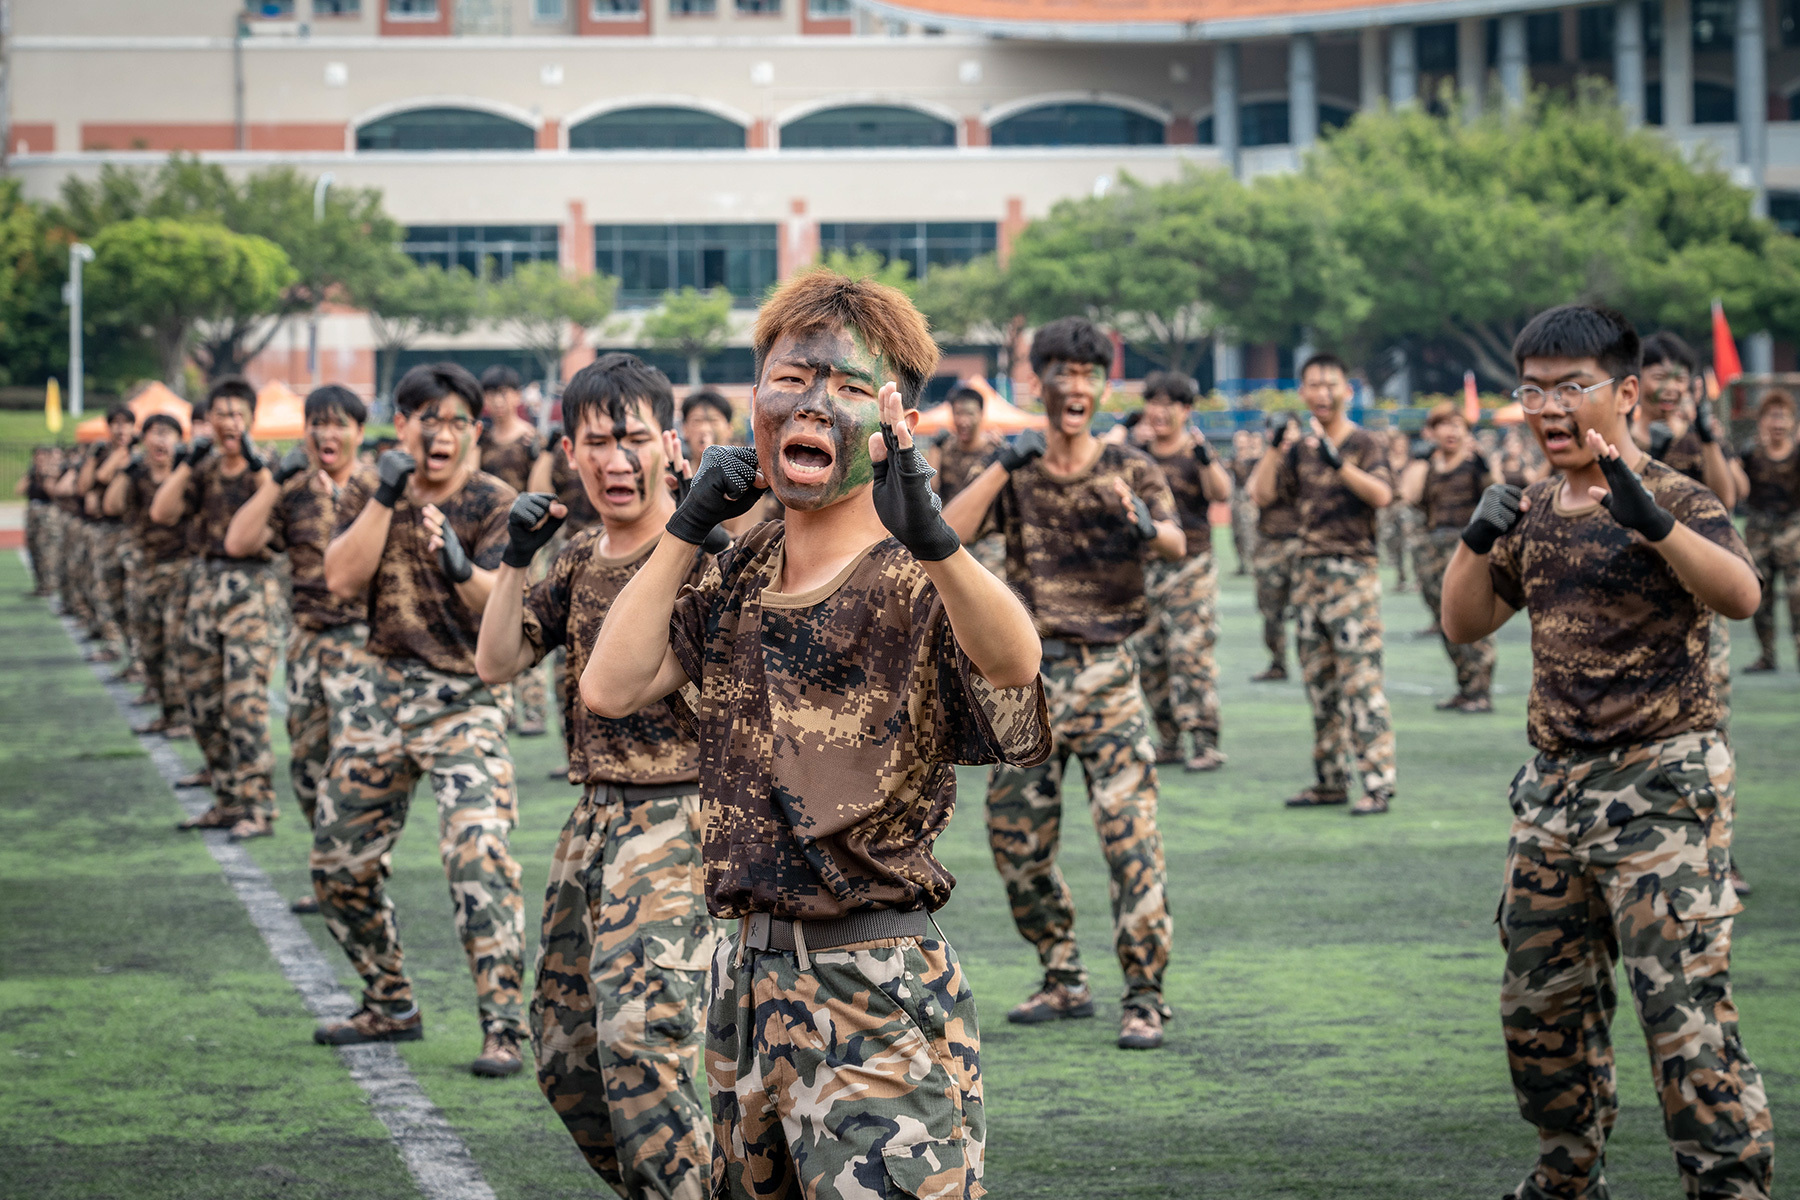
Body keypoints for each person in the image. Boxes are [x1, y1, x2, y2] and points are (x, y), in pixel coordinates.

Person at [585, 270, 1049, 1198]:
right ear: (756, 397)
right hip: (744, 986)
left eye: (847, 388)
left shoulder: (916, 574)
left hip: (873, 984)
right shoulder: (742, 563)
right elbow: (612, 684)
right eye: (792, 378)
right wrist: (687, 525)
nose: (813, 403)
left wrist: (939, 544)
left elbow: (1014, 666)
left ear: (894, 419)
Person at [1441, 304, 1771, 1200]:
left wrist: (1656, 523)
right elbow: (1465, 624)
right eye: (1533, 390)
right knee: (1540, 1011)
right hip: (1554, 797)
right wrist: (1476, 540)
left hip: (1663, 788)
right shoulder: (1534, 507)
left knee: (1683, 1016)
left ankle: (1728, 1186)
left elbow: (1741, 594)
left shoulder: (1679, 494)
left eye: (1571, 387)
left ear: (1623, 393)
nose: (1550, 408)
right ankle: (1566, 1176)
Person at [477, 354, 720, 1199]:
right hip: (592, 825)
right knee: (565, 1055)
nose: (617, 461)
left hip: (680, 818)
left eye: (633, 438)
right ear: (570, 454)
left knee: (641, 1045)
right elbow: (498, 660)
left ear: (669, 442)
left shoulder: (706, 554)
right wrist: (514, 558)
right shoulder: (578, 557)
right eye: (597, 443)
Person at [943, 316, 1183, 1051]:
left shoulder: (1131, 465)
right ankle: (1062, 973)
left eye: (1087, 374)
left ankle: (1144, 995)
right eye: (1061, 373)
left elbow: (1175, 541)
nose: (1074, 387)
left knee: (1129, 840)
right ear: (1037, 383)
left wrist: (1145, 525)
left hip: (1110, 675)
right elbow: (943, 536)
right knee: (1018, 847)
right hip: (1030, 682)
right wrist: (1000, 465)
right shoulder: (1013, 470)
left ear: (1102, 386)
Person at [313, 362, 526, 1077]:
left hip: (464, 698)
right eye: (424, 419)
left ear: (475, 430)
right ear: (400, 426)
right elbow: (340, 579)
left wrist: (462, 566)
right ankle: (390, 1000)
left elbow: (503, 603)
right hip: (380, 693)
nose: (440, 433)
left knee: (477, 855)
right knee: (336, 863)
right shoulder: (371, 491)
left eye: (456, 421)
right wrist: (384, 495)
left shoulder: (495, 500)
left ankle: (502, 1026)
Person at [224, 385, 374, 907]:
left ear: (359, 430)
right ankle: (331, 872)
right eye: (317, 423)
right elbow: (239, 542)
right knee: (308, 766)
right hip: (308, 642)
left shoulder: (381, 490)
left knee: (358, 768)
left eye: (338, 424)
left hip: (366, 647)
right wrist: (275, 482)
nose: (325, 434)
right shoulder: (293, 491)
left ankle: (358, 876)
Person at [1248, 354, 1396, 816]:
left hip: (1352, 575)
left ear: (1346, 391)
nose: (1322, 393)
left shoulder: (1365, 443)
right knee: (1320, 686)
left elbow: (1383, 495)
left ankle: (1378, 782)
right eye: (1313, 385)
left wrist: (1341, 465)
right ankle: (1331, 780)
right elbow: (1262, 495)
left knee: (1362, 685)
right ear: (1304, 392)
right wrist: (1274, 447)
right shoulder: (1299, 450)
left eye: (1330, 384)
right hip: (1308, 574)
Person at [151, 378, 282, 839]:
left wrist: (251, 458)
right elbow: (162, 513)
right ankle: (227, 800)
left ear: (251, 418)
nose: (229, 423)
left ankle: (259, 805)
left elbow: (277, 506)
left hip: (251, 589)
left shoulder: (267, 468)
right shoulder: (203, 470)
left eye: (237, 413)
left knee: (243, 703)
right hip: (204, 586)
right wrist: (187, 465)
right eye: (220, 414)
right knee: (202, 701)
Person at [1130, 370, 1231, 771]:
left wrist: (1207, 459)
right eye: (1153, 404)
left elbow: (1221, 492)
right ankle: (1169, 739)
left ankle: (1205, 742)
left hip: (1191, 568)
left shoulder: (1196, 453)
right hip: (1145, 568)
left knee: (1190, 655)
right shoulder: (1138, 456)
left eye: (1168, 405)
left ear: (1185, 411)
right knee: (1150, 657)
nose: (1158, 413)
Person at [1399, 403, 1497, 713]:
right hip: (1432, 551)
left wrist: (1483, 465)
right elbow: (1409, 496)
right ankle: (1465, 687)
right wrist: (1421, 459)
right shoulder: (1428, 465)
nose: (1452, 431)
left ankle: (1481, 691)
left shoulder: (1475, 465)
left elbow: (1496, 493)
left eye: (1458, 425)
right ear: (1432, 431)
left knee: (1474, 620)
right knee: (1446, 623)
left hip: (1468, 547)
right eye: (1445, 425)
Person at [105, 415, 191, 738]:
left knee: (175, 646)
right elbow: (111, 505)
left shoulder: (188, 473)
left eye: (167, 434)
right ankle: (167, 713)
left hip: (182, 569)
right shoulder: (137, 476)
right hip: (146, 569)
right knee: (150, 647)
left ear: (178, 440)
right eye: (154, 434)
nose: (160, 441)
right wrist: (125, 470)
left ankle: (182, 716)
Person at [476, 365, 549, 738]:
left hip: (524, 541)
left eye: (505, 392)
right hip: (485, 542)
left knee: (528, 616)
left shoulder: (530, 441)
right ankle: (498, 703)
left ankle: (534, 708)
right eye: (491, 394)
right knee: (493, 619)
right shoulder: (481, 442)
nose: (498, 401)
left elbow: (541, 487)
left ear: (517, 396)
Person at [1742, 390, 1800, 673]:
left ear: (1792, 422)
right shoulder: (1749, 452)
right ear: (1762, 420)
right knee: (1759, 598)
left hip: (1793, 533)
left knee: (1798, 597)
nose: (1778, 423)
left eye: (1784, 416)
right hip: (1758, 533)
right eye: (1772, 416)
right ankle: (1767, 655)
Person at [927, 384, 1005, 573]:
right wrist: (935, 449)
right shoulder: (944, 449)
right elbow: (929, 491)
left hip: (988, 542)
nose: (963, 420)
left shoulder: (995, 452)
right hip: (951, 537)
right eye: (958, 413)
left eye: (970, 414)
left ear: (981, 414)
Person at [84, 406, 139, 665]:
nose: (121, 429)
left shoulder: (141, 453)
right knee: (109, 592)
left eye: (126, 423)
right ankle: (117, 646)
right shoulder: (103, 452)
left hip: (133, 530)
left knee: (134, 596)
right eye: (116, 423)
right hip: (108, 529)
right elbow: (88, 483)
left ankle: (139, 661)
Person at [1250, 418, 1302, 682]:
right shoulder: (1267, 460)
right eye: (1281, 431)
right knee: (1271, 612)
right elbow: (1259, 494)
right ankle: (1278, 662)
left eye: (1292, 430)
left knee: (1310, 610)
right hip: (1271, 543)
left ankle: (1314, 663)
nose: (1287, 437)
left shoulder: (1309, 459)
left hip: (1305, 544)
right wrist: (1272, 450)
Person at [21, 445, 61, 596]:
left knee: (47, 550)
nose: (39, 459)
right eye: (37, 456)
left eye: (42, 456)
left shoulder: (51, 473)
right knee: (34, 548)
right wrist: (31, 474)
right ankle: (41, 584)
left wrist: (45, 476)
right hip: (33, 514)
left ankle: (50, 585)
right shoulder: (32, 473)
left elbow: (53, 493)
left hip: (47, 515)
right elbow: (19, 489)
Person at [1379, 427, 1415, 593]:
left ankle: (1416, 579)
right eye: (1398, 443)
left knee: (1411, 545)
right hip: (1391, 508)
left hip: (1407, 509)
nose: (1400, 447)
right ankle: (1401, 579)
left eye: (1403, 443)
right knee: (1394, 545)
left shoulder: (1411, 462)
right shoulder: (1386, 461)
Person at [1227, 429, 1262, 576]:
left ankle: (1254, 564)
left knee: (1250, 534)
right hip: (1236, 499)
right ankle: (1242, 564)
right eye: (1238, 440)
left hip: (1248, 499)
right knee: (1236, 534)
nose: (1240, 443)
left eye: (1243, 440)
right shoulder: (1233, 459)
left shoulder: (1254, 459)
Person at [679, 387, 734, 455]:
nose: (704, 429)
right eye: (697, 421)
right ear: (684, 429)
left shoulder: (744, 465)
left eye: (714, 421)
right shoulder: (673, 464)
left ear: (729, 429)